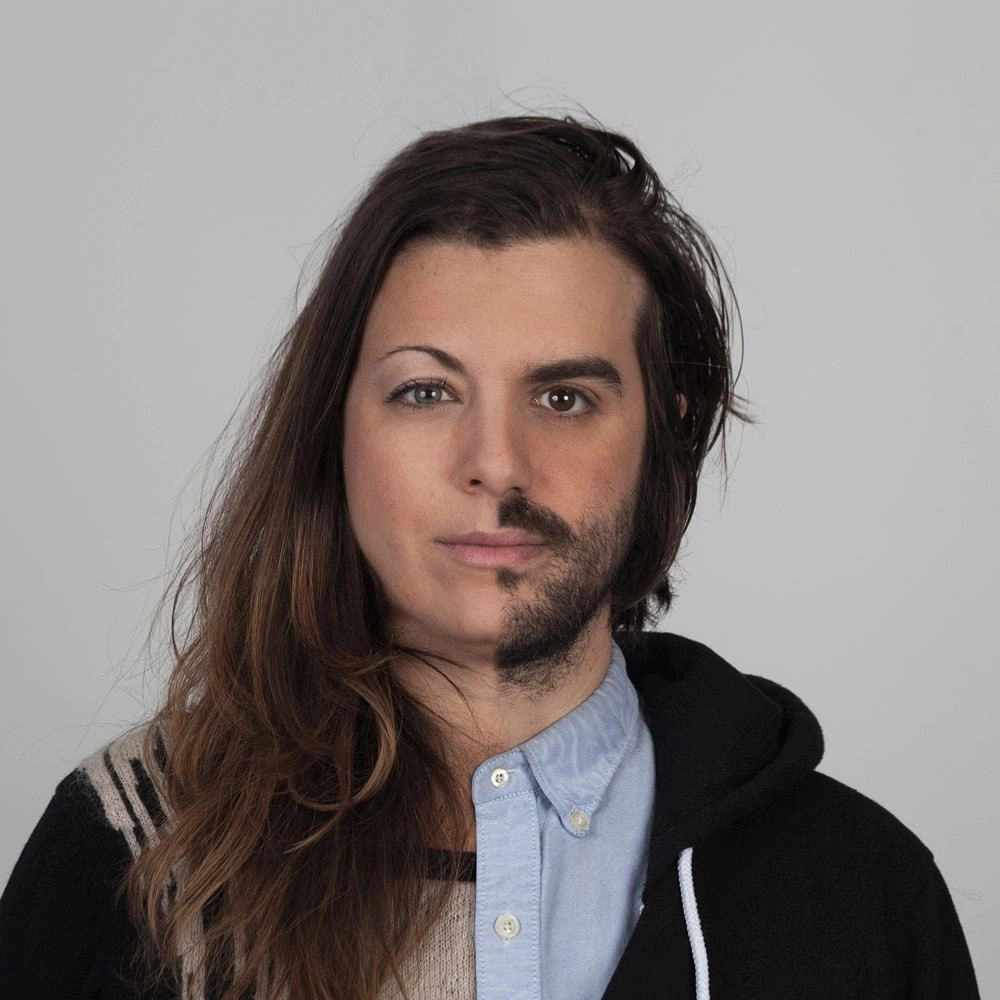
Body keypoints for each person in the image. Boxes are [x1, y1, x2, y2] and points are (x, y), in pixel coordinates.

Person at [0, 114, 981, 1000]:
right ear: (336, 426)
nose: (497, 464)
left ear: (663, 435)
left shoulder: (858, 888)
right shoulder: (141, 851)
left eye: (564, 398)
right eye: (426, 392)